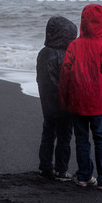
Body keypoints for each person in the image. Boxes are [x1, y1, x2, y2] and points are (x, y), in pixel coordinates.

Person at [59, 4, 102, 191]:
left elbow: (65, 75)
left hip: (77, 102)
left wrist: (64, 100)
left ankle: (84, 176)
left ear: (83, 23)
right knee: (101, 139)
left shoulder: (74, 45)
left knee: (81, 139)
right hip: (97, 104)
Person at [36, 15, 77, 181]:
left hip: (47, 102)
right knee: (65, 136)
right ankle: (61, 170)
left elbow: (42, 79)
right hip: (64, 103)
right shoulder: (66, 55)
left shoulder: (43, 53)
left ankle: (45, 167)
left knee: (48, 133)